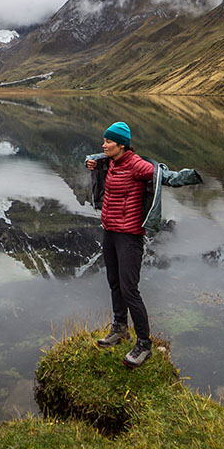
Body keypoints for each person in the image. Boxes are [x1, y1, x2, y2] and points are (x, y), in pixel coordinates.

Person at [85, 121, 155, 368]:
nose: (103, 145)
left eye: (108, 142)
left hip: (129, 235)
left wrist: (181, 177)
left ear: (121, 144)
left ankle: (144, 344)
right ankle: (120, 328)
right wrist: (92, 162)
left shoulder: (137, 165)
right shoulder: (112, 162)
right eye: (103, 141)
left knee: (129, 289)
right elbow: (98, 159)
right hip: (110, 230)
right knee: (114, 281)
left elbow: (157, 174)